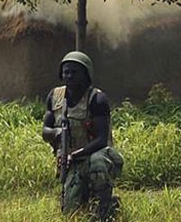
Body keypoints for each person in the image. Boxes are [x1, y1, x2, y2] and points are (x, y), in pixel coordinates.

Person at [42, 51, 124, 221]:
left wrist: (75, 154)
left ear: (86, 74)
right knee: (70, 211)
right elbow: (45, 131)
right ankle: (95, 200)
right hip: (72, 161)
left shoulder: (97, 99)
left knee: (96, 162)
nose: (69, 76)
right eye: (66, 72)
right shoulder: (55, 97)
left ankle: (104, 208)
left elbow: (101, 140)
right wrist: (56, 133)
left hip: (100, 155)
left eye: (74, 72)